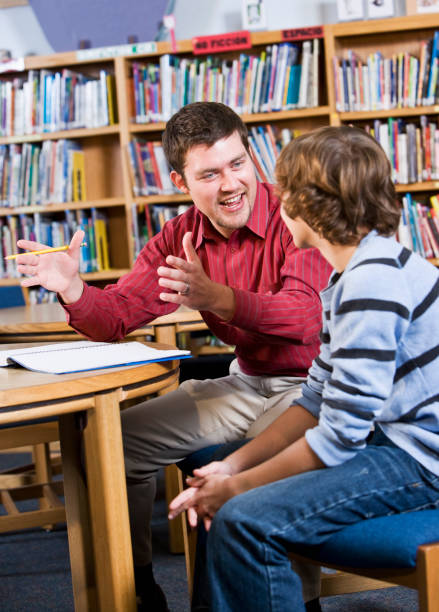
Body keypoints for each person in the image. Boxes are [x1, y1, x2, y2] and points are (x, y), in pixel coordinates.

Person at [15, 102, 332, 611]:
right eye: (209, 173)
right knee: (110, 445)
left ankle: (300, 601)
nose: (230, 184)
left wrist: (216, 298)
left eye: (237, 163)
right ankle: (139, 588)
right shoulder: (179, 236)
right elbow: (114, 316)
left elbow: (302, 319)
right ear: (181, 180)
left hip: (313, 387)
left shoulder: (298, 214)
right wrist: (73, 288)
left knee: (255, 472)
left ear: (254, 157)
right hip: (247, 382)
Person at [168, 125, 439, 611]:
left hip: (419, 462)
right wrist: (232, 465)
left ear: (309, 205)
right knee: (232, 505)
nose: (275, 201)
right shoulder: (352, 274)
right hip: (392, 446)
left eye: (284, 191)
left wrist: (236, 487)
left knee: (241, 518)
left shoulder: (371, 284)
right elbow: (315, 398)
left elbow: (339, 437)